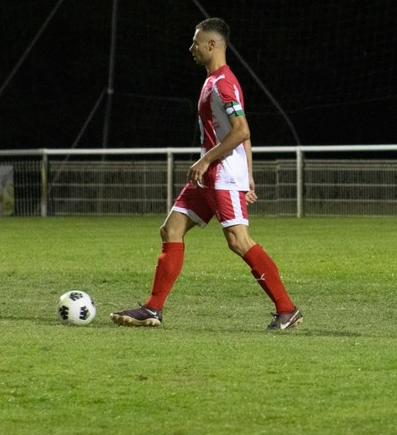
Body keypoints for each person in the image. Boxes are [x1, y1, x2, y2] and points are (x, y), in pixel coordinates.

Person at [111, 17, 303, 330]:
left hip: (222, 174)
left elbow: (242, 130)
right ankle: (153, 308)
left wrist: (208, 161)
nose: (191, 48)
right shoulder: (215, 81)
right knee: (171, 230)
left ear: (211, 44)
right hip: (210, 175)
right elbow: (241, 132)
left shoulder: (223, 84)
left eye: (195, 42)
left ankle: (287, 308)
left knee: (238, 240)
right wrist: (248, 174)